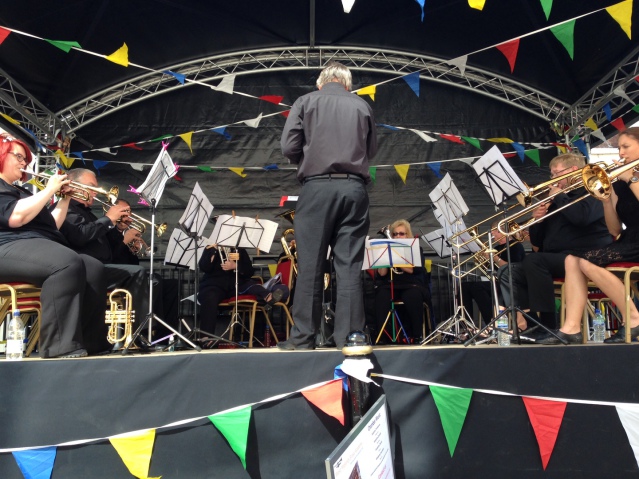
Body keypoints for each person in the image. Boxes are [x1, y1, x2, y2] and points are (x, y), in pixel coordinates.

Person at [278, 61, 378, 350]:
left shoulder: (305, 101)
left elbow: (288, 147)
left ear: (320, 83)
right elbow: (371, 150)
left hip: (317, 188)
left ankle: (303, 339)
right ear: (348, 84)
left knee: (310, 265)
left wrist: (309, 157)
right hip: (354, 189)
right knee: (349, 266)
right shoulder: (362, 106)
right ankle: (349, 337)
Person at [0, 134, 108, 358]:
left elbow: (53, 226)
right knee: (65, 262)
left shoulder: (22, 192)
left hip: (32, 245)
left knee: (93, 267)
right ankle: (58, 346)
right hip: (7, 246)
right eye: (18, 157)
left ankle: (90, 342)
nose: (24, 162)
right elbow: (15, 218)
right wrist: (48, 190)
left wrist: (64, 198)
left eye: (25, 158)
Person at [538, 128, 639, 344]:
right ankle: (571, 328)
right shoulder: (620, 182)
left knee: (586, 261)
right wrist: (606, 200)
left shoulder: (629, 178)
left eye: (626, 147)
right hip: (630, 239)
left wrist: (632, 179)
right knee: (572, 260)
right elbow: (614, 230)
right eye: (619, 148)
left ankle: (633, 317)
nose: (621, 153)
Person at [507, 153, 612, 336]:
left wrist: (559, 196)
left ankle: (549, 325)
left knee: (534, 261)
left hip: (586, 255)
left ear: (573, 170)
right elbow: (538, 242)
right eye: (552, 174)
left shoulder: (592, 190)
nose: (553, 178)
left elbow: (582, 218)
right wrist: (538, 220)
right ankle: (532, 323)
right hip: (558, 257)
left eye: (557, 173)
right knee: (511, 271)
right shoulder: (557, 199)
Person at [58, 168, 162, 330]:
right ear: (73, 185)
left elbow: (108, 247)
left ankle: (143, 330)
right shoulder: (67, 209)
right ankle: (140, 331)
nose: (96, 191)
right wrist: (108, 219)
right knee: (139, 274)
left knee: (151, 279)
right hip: (86, 271)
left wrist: (117, 227)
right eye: (92, 186)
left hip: (100, 267)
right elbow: (80, 236)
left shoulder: (87, 213)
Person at [197, 245, 289, 336]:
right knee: (209, 297)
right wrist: (213, 251)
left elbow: (249, 271)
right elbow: (204, 267)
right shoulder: (210, 248)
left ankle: (269, 298)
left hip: (236, 285)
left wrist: (236, 266)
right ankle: (206, 337)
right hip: (214, 285)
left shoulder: (238, 249)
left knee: (254, 287)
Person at [374, 220, 430, 343]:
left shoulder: (415, 249)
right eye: (395, 234)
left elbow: (414, 270)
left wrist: (397, 258)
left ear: (407, 235)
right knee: (381, 296)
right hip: (390, 284)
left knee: (412, 295)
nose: (398, 236)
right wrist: (385, 257)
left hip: (411, 284)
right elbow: (382, 273)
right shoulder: (386, 249)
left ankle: (416, 336)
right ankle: (382, 337)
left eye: (401, 234)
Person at [461, 221, 526, 328]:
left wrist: (495, 258)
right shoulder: (497, 248)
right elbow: (491, 268)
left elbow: (511, 269)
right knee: (465, 286)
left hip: (511, 284)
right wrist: (483, 259)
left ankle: (492, 324)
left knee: (478, 287)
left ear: (503, 232)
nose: (492, 234)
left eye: (495, 231)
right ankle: (467, 326)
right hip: (498, 282)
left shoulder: (515, 246)